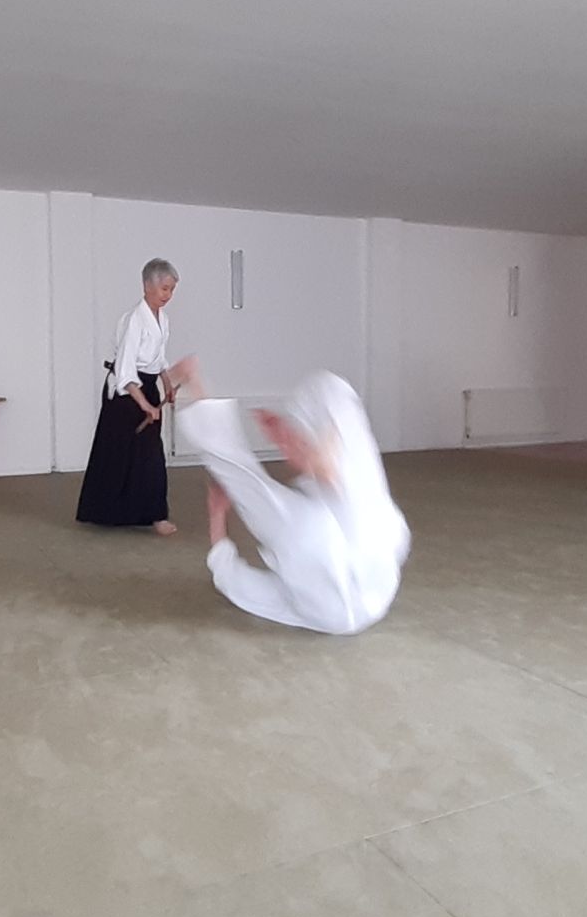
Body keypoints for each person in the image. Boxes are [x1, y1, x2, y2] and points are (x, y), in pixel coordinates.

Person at [166, 356, 410, 635]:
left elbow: (235, 582)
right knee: (249, 480)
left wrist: (217, 515)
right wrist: (217, 514)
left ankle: (318, 457)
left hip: (363, 586)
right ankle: (317, 458)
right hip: (370, 570)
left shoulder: (317, 587)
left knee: (252, 482)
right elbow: (236, 582)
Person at [76, 258, 181, 534]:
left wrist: (167, 385)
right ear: (147, 286)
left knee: (149, 454)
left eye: (171, 290)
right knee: (119, 453)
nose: (168, 295)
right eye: (164, 289)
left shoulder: (162, 319)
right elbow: (125, 370)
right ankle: (107, 510)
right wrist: (145, 405)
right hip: (125, 396)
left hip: (147, 386)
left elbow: (158, 360)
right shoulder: (135, 320)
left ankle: (155, 514)